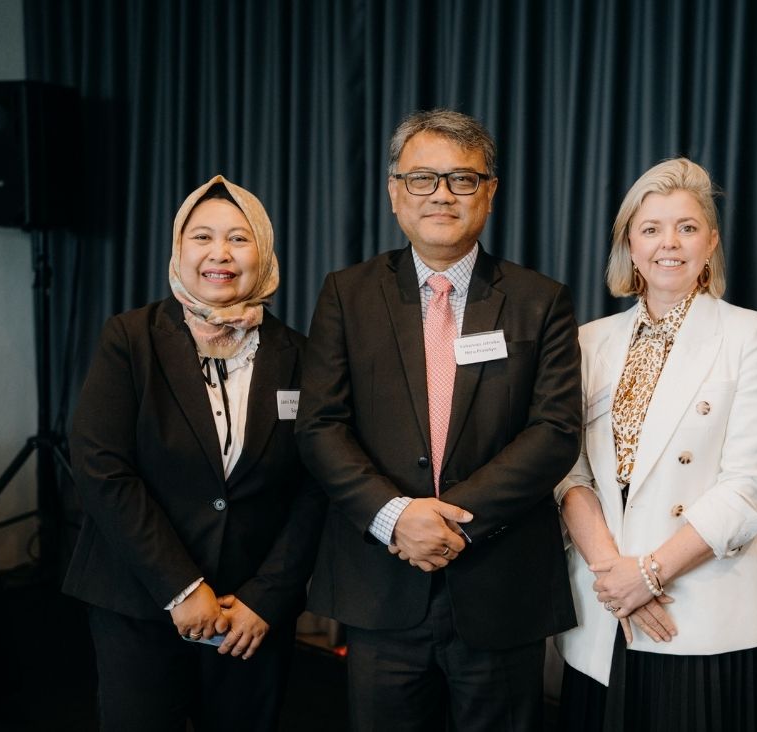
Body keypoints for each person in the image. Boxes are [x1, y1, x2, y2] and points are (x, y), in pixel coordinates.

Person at [295, 109, 582, 731]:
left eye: (462, 179)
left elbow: (554, 431)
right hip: (381, 582)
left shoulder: (540, 300)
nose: (442, 195)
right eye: (423, 179)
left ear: (490, 191)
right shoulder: (347, 294)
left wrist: (448, 519)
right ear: (396, 192)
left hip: (499, 585)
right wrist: (397, 517)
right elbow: (320, 425)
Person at [64, 175, 325, 731]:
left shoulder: (301, 355)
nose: (219, 254)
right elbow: (101, 467)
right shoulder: (130, 339)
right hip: (139, 598)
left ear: (265, 251)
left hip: (249, 616)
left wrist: (267, 598)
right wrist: (181, 588)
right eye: (201, 237)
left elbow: (315, 487)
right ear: (179, 251)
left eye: (238, 238)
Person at [556, 158, 757, 731]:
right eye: (651, 228)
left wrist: (652, 574)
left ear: (710, 243)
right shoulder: (589, 341)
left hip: (700, 606)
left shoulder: (746, 333)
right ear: (629, 245)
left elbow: (749, 485)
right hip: (606, 603)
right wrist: (616, 574)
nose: (669, 244)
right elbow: (570, 472)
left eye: (686, 228)